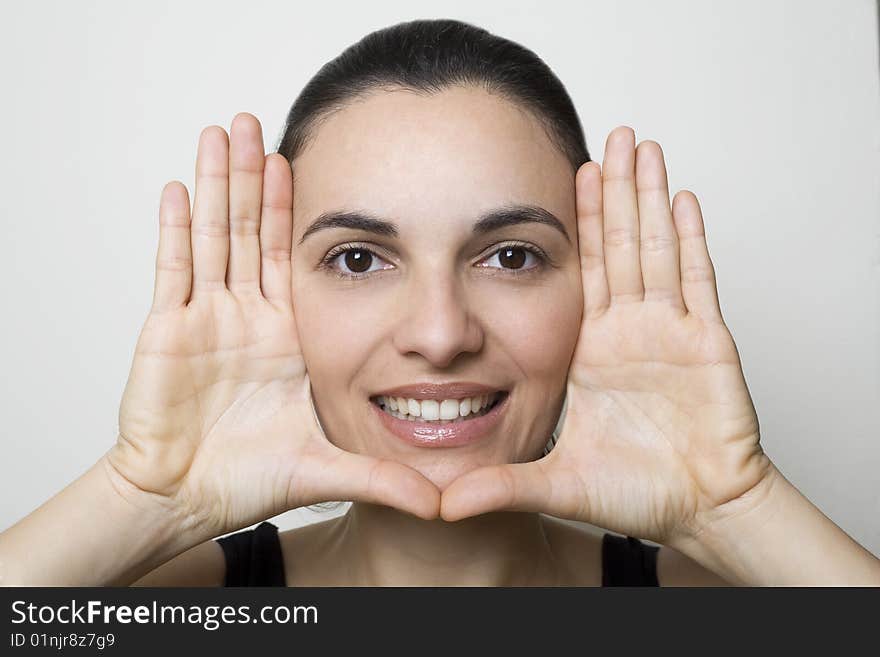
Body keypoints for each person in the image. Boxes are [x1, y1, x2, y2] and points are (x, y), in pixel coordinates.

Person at [1, 18, 877, 588]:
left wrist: (738, 505)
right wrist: (141, 495)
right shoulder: (176, 602)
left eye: (510, 255)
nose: (439, 333)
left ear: (595, 287)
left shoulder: (719, 599)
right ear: (279, 295)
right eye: (357, 258)